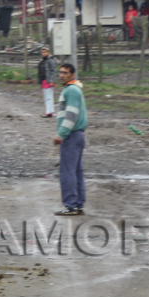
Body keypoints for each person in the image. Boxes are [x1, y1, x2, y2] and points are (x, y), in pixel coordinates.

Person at [53, 64, 88, 216]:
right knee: (76, 171)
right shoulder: (72, 89)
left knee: (67, 171)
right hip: (77, 135)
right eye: (60, 72)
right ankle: (78, 204)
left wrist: (61, 134)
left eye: (65, 73)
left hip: (71, 136)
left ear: (72, 75)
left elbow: (71, 115)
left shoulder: (71, 90)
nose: (61, 75)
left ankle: (70, 205)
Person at [38, 46, 58, 117]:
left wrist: (51, 80)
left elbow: (53, 71)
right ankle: (49, 111)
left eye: (44, 52)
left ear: (48, 52)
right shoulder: (43, 61)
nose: (43, 53)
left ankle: (48, 112)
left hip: (49, 80)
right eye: (42, 52)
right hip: (44, 80)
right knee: (46, 96)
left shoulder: (50, 60)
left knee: (49, 96)